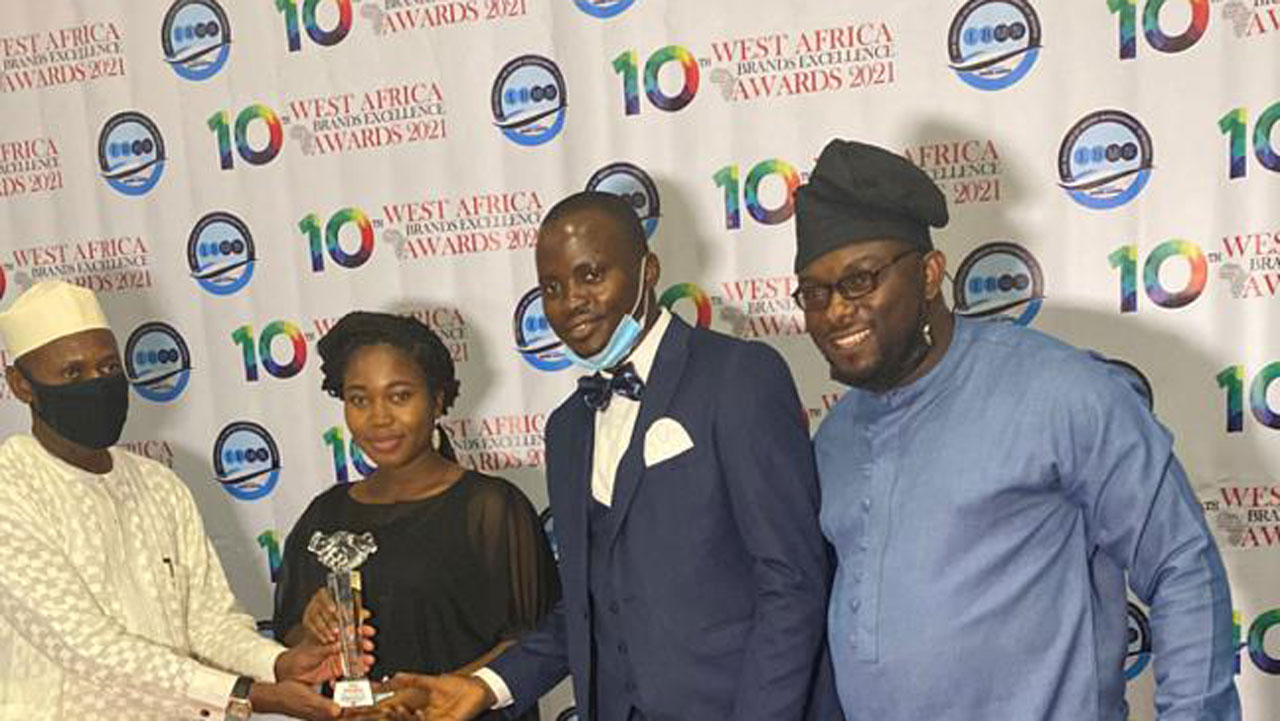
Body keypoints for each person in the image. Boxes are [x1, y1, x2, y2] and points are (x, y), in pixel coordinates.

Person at [791, 139, 1240, 720]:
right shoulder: (834, 439)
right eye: (815, 292)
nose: (834, 311)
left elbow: (1182, 564)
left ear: (929, 275)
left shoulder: (1060, 392)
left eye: (860, 280)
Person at [370, 191, 838, 721]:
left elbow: (792, 583)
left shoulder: (737, 377)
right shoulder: (567, 428)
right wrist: (485, 686)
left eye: (591, 275)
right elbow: (587, 607)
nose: (570, 301)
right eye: (551, 288)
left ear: (648, 270)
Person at [0, 280, 359, 721]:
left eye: (108, 368)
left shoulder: (158, 485)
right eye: (72, 374)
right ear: (21, 385)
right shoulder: (11, 489)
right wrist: (250, 694)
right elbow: (85, 647)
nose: (97, 383)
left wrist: (278, 664)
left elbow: (210, 622)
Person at [272, 312, 559, 720]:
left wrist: (425, 696)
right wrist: (315, 630)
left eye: (399, 396)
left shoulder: (490, 507)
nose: (379, 417)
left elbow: (531, 640)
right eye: (359, 399)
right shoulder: (324, 514)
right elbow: (292, 641)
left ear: (437, 399)